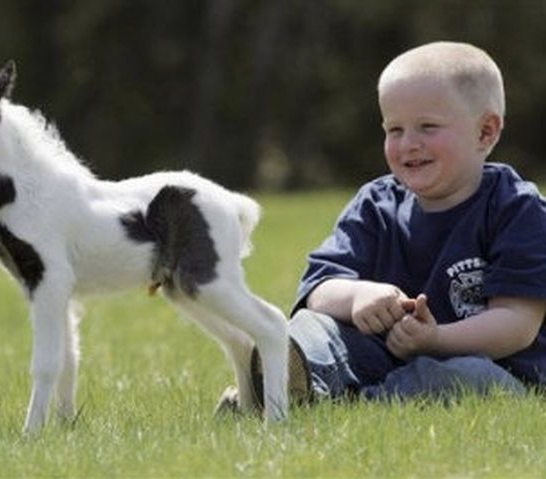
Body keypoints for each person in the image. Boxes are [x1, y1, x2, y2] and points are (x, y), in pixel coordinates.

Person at [218, 41, 546, 413]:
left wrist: (435, 339)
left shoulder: (515, 208)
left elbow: (518, 324)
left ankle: (338, 405)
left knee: (466, 377)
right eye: (395, 129)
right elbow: (318, 289)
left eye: (427, 127)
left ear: (486, 132)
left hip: (495, 366)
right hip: (383, 354)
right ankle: (281, 384)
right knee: (314, 326)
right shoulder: (376, 203)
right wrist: (358, 296)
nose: (408, 144)